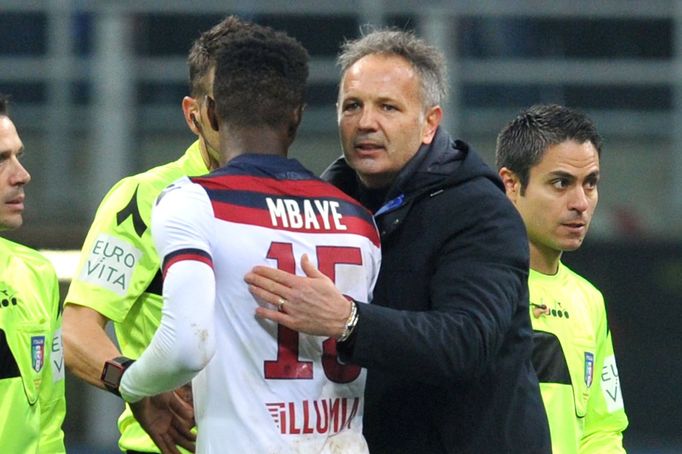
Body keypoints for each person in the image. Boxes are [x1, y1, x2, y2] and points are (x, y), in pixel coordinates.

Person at [244, 28, 551, 453]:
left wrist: (348, 321)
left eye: (388, 107)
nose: (366, 122)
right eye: (353, 106)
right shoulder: (323, 206)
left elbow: (467, 341)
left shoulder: (482, 211)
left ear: (429, 123)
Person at [116, 21, 381, 454]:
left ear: (212, 112)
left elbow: (185, 345)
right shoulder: (359, 219)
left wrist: (133, 385)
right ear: (297, 115)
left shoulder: (192, 201)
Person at [62, 16, 251, 453]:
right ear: (194, 114)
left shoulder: (311, 202)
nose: (246, 123)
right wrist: (136, 383)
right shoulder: (143, 201)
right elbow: (76, 333)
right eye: (229, 106)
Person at [496, 104, 628, 453]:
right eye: (561, 183)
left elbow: (603, 429)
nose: (580, 203)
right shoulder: (479, 287)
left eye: (591, 184)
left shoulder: (589, 300)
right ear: (511, 184)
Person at [0, 94, 66, 452]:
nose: (22, 175)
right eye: (0, 161)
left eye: (17, 157)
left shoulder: (36, 273)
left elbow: (49, 417)